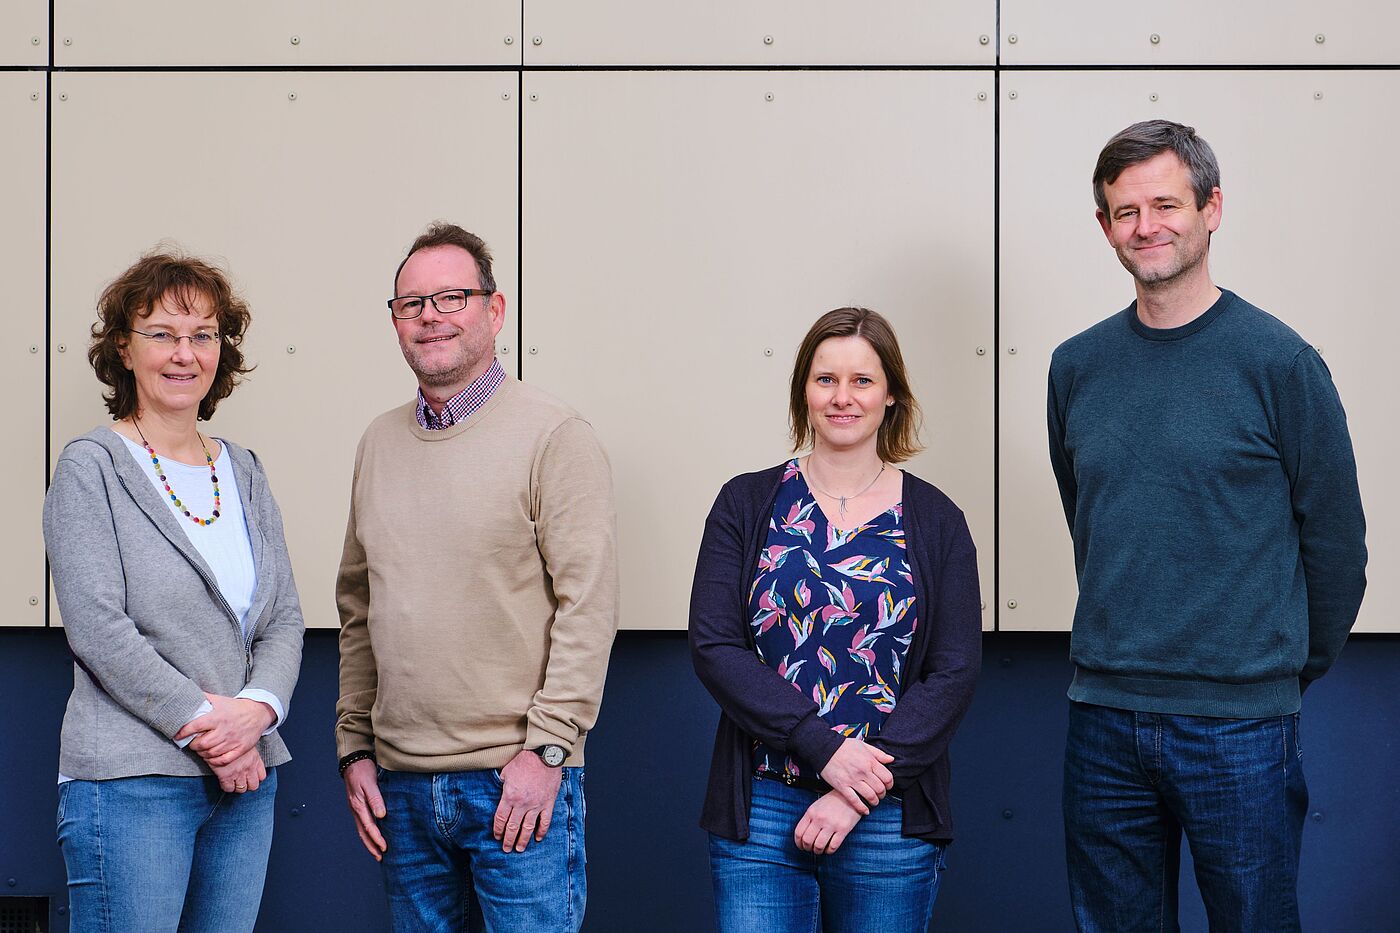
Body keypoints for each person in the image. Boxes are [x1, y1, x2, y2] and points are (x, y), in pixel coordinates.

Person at [1048, 120, 1367, 931]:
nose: (1146, 226)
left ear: (1212, 208)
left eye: (1166, 204)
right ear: (1104, 227)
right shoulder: (1075, 366)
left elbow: (1336, 547)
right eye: (1125, 212)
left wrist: (1277, 671)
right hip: (1104, 717)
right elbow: (1087, 515)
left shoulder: (1281, 364)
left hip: (1241, 726)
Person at [335, 222, 619, 932]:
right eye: (412, 303)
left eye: (451, 296)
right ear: (396, 322)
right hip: (399, 789)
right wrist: (354, 747)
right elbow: (358, 605)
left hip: (516, 781)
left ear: (495, 311)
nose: (430, 315)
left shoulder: (555, 437)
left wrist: (549, 750)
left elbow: (588, 606)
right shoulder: (377, 442)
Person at [689, 307, 982, 932]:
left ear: (892, 395)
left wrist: (858, 788)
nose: (842, 398)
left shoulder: (936, 519)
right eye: (825, 380)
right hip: (762, 807)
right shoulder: (746, 501)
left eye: (862, 381)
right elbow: (716, 646)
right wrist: (824, 751)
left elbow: (952, 672)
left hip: (888, 813)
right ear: (803, 391)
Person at [44, 250, 305, 933]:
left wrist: (258, 714)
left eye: (202, 335)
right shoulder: (90, 468)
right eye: (161, 333)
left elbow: (283, 618)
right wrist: (217, 733)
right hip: (133, 783)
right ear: (124, 350)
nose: (183, 353)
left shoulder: (244, 470)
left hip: (245, 786)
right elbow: (99, 628)